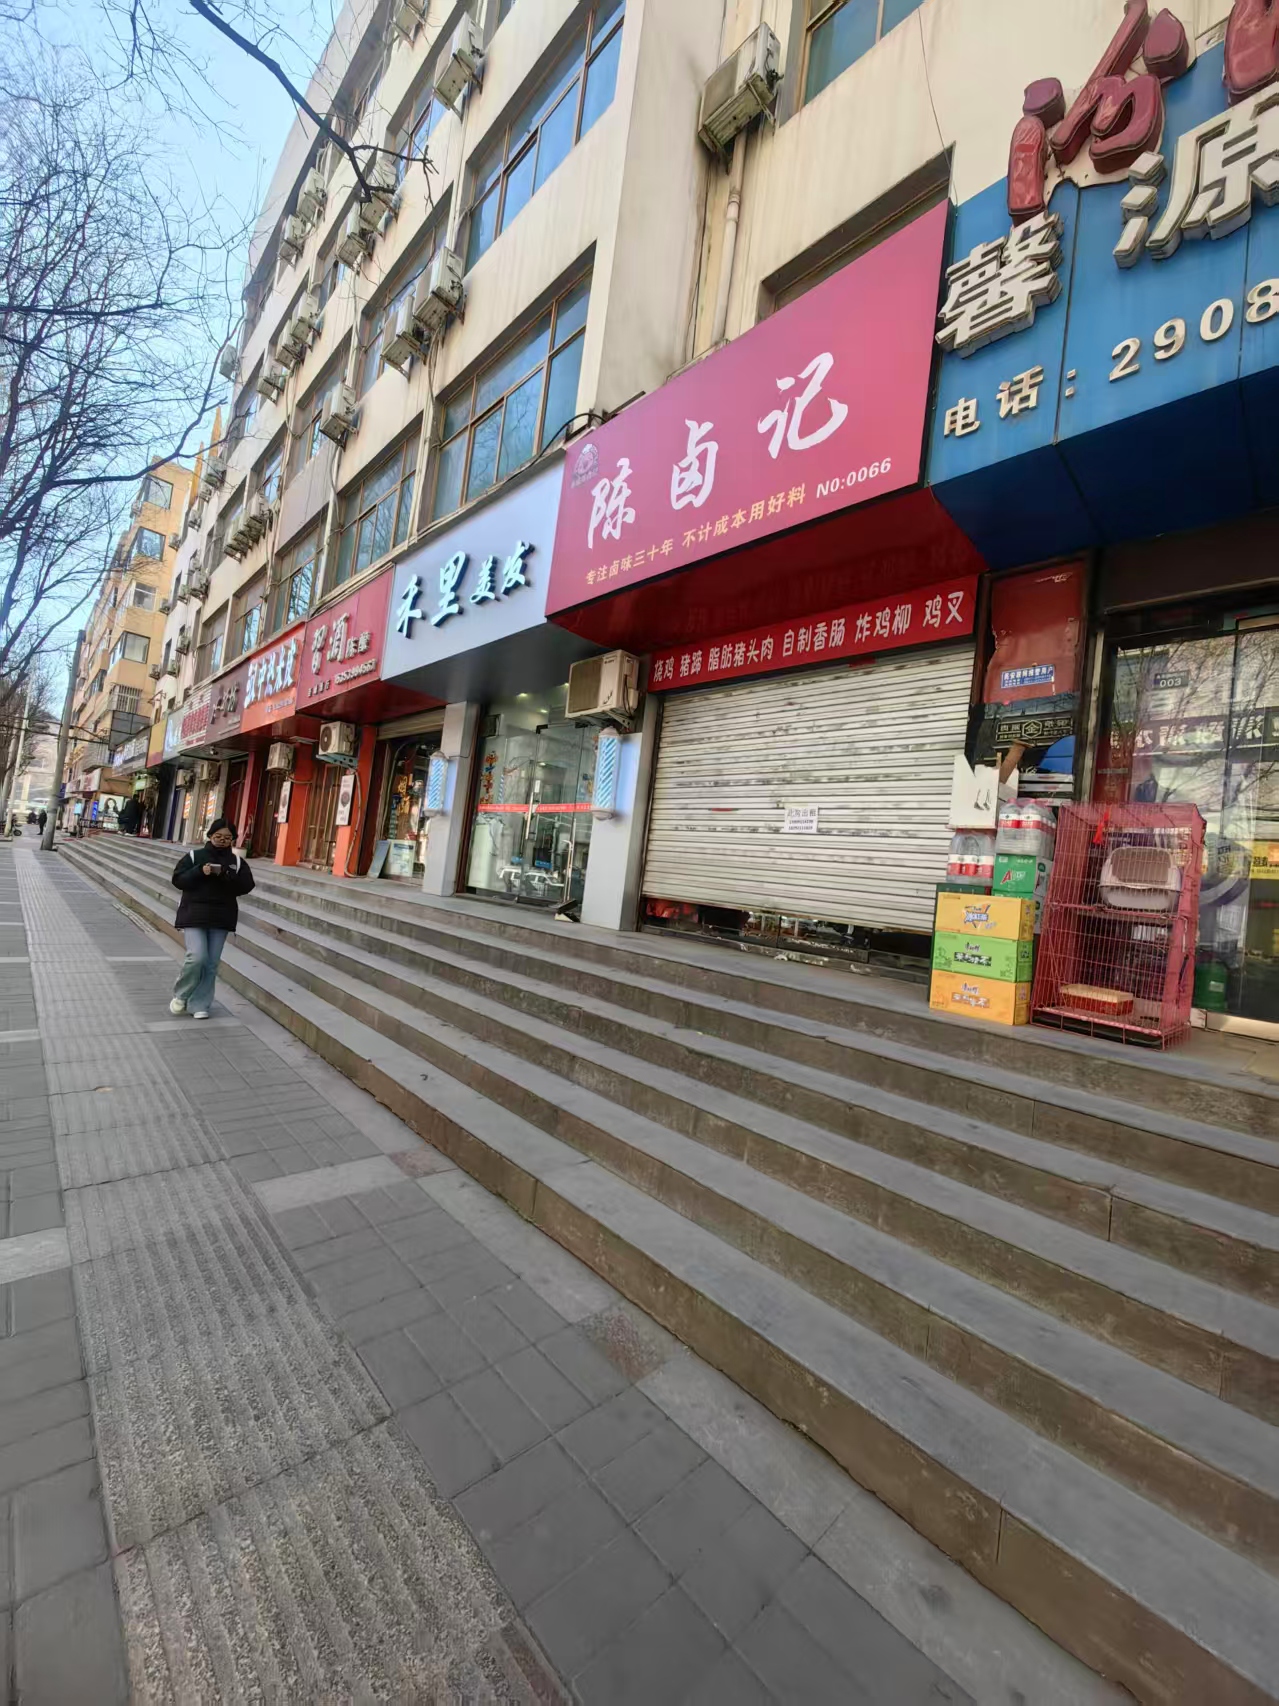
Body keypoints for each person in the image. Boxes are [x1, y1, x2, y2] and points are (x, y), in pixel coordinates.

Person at [170, 817, 254, 1019]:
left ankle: (200, 1004)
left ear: (233, 839)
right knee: (196, 957)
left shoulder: (236, 862)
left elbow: (246, 886)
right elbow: (178, 880)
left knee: (211, 963)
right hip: (194, 914)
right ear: (209, 836)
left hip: (221, 916)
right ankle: (182, 994)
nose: (222, 840)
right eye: (218, 836)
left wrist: (226, 875)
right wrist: (200, 871)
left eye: (227, 837)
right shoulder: (194, 856)